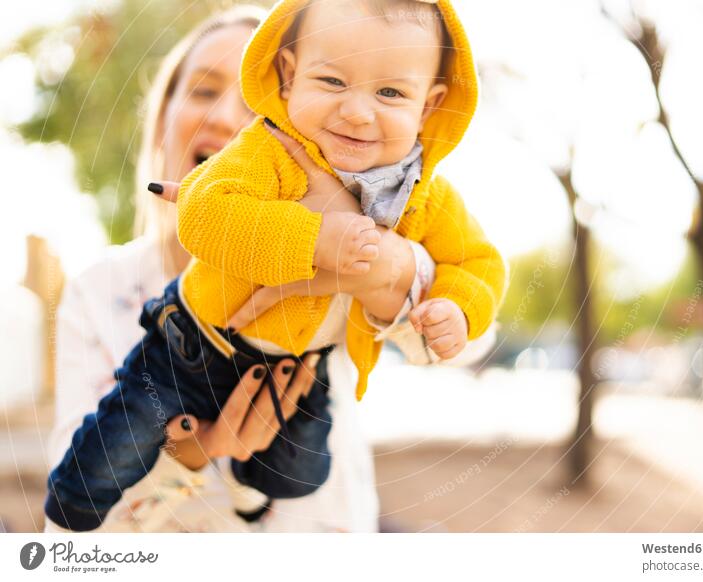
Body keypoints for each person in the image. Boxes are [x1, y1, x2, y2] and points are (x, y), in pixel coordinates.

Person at [45, 0, 506, 532]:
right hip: (189, 351)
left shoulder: (410, 199)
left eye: (248, 100)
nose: (227, 117)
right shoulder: (99, 291)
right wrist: (195, 452)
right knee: (95, 473)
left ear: (427, 105)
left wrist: (378, 267)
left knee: (299, 470)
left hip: (310, 463)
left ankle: (254, 483)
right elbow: (209, 213)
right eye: (203, 90)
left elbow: (469, 319)